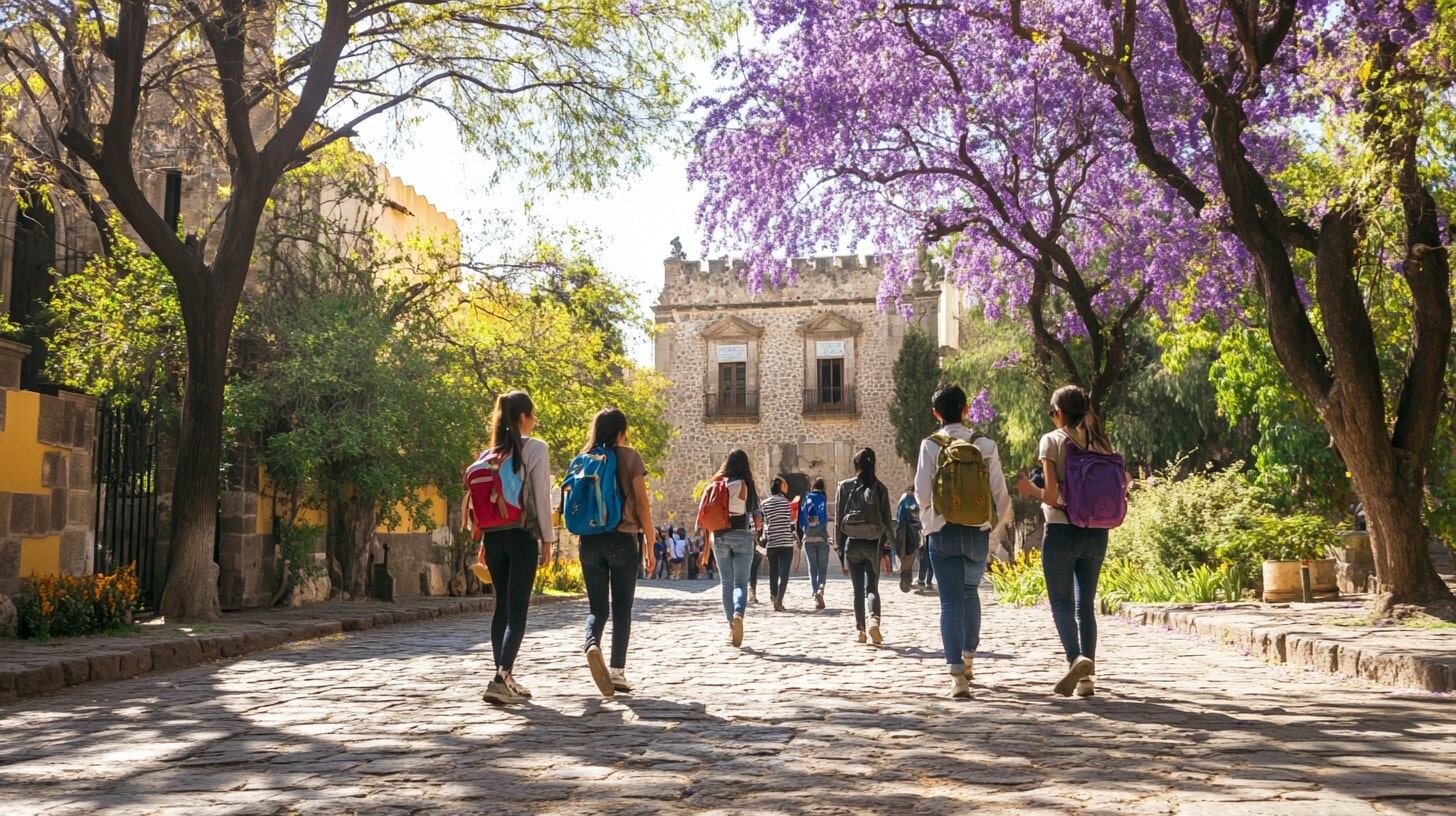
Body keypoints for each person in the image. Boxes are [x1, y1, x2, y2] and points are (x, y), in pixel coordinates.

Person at [1016, 384, 1116, 698]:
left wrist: (1027, 489)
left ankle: (1076, 657)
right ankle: (1087, 680)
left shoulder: (1052, 440)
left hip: (1061, 529)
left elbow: (1049, 494)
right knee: (1085, 604)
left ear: (1058, 412)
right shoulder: (1102, 441)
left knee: (1061, 602)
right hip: (1097, 531)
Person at [915, 385, 1013, 699]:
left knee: (950, 602)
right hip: (976, 532)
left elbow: (921, 494)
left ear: (936, 413)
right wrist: (994, 530)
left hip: (941, 532)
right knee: (970, 593)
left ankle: (957, 676)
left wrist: (931, 515)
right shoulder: (985, 444)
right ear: (967, 409)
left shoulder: (930, 446)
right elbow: (1000, 492)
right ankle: (969, 657)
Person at [475, 391, 555, 706]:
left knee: (501, 608)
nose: (535, 420)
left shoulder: (489, 453)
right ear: (523, 417)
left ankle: (504, 675)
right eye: (533, 415)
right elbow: (540, 496)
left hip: (494, 537)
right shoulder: (535, 448)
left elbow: (488, 507)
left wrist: (483, 541)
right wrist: (547, 541)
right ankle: (500, 677)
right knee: (518, 610)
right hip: (521, 536)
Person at [574, 407, 653, 698]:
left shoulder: (583, 459)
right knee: (622, 608)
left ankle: (592, 644)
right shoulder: (630, 457)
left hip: (590, 540)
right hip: (622, 538)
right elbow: (642, 502)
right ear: (622, 431)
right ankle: (617, 672)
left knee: (597, 608)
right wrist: (651, 541)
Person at [697, 449, 761, 647]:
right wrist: (757, 531)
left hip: (720, 536)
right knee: (741, 583)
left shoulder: (716, 483)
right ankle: (738, 613)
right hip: (742, 535)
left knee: (726, 583)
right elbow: (757, 515)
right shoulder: (747, 485)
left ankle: (731, 625)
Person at [835, 448, 893, 645]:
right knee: (872, 588)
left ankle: (860, 631)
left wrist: (840, 551)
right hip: (873, 544)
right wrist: (887, 550)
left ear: (856, 465)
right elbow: (886, 522)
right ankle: (874, 620)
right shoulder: (880, 488)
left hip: (852, 545)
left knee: (857, 590)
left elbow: (838, 523)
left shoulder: (844, 486)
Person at [761, 477, 798, 611]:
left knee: (773, 571)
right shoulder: (786, 503)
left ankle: (773, 595)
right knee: (784, 573)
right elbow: (791, 522)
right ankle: (779, 600)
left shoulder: (764, 504)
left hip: (772, 541)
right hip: (786, 542)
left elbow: (764, 523)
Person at [798, 478, 832, 609]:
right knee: (822, 568)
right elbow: (824, 519)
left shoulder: (806, 499)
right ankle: (821, 589)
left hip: (808, 538)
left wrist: (805, 531)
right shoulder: (822, 498)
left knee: (812, 569)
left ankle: (814, 593)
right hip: (822, 538)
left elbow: (801, 520)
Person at [895, 486, 922, 594]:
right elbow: (913, 508)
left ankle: (907, 580)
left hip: (904, 529)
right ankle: (905, 580)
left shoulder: (905, 496)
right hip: (907, 530)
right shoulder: (909, 497)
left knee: (907, 555)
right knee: (908, 555)